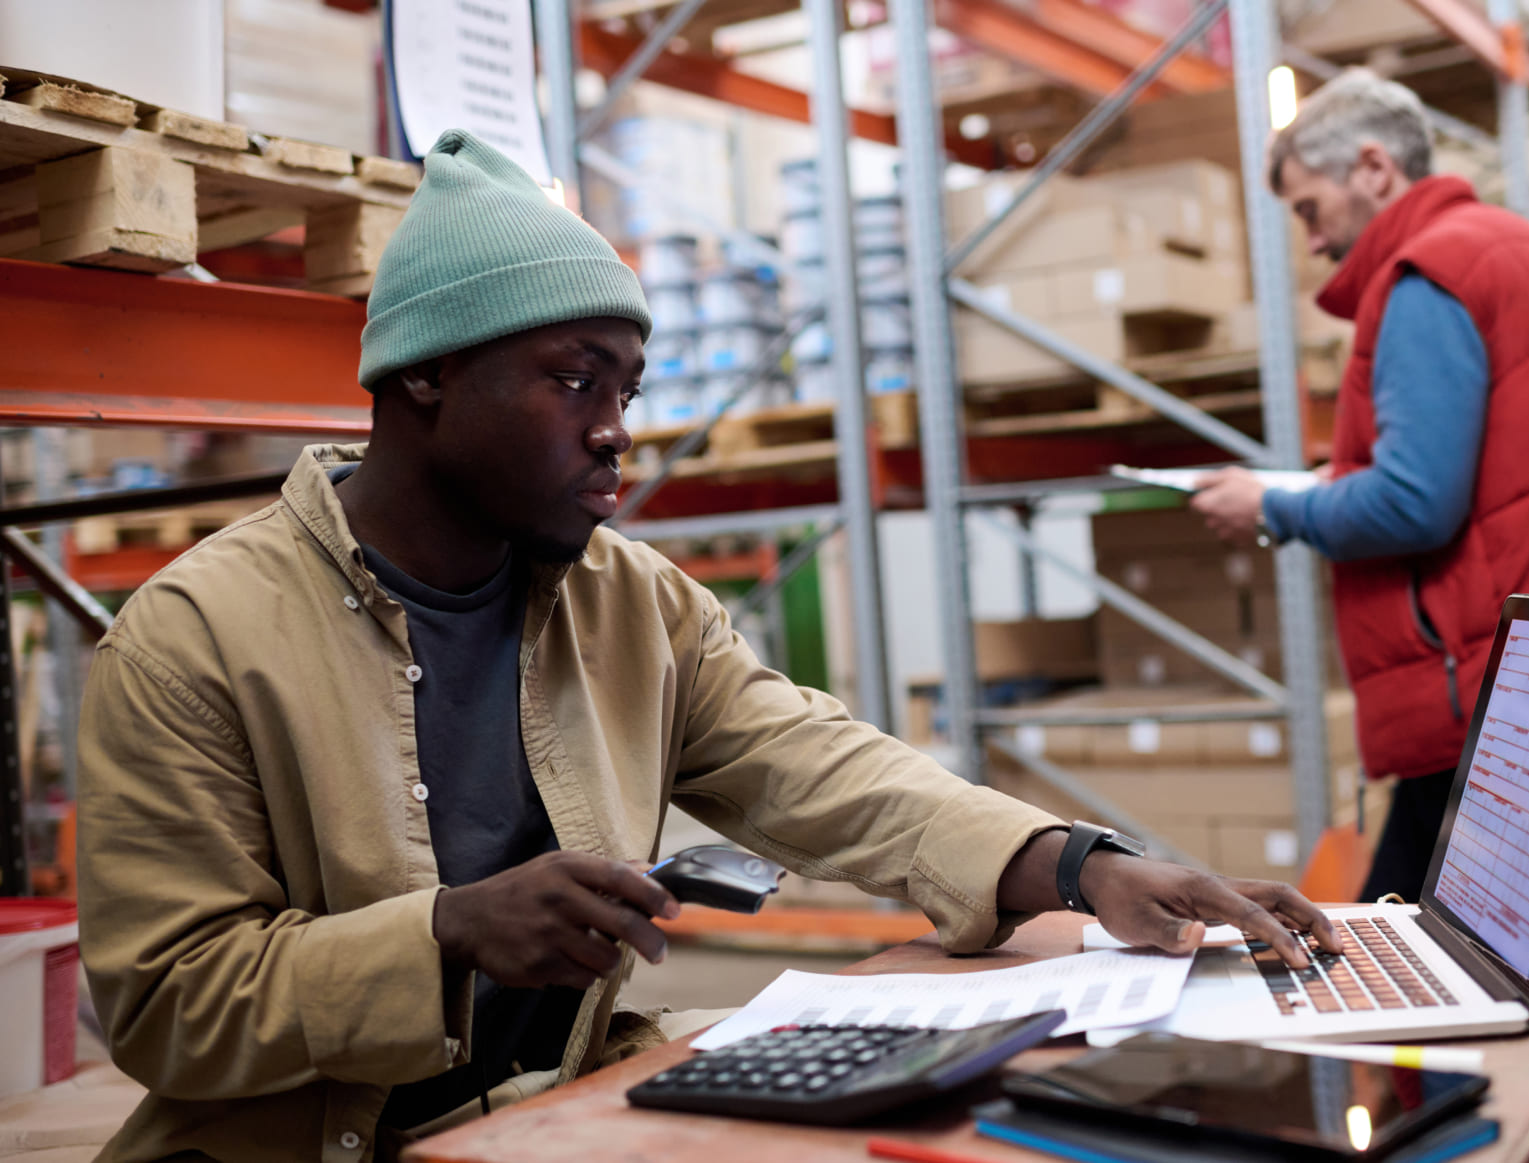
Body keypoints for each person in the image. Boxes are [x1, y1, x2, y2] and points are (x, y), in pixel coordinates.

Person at [74, 130, 1339, 1163]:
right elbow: (169, 1006)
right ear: (427, 376)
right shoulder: (195, 640)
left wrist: (1073, 863)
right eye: (576, 381)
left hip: (555, 1116)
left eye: (629, 388)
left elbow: (816, 765)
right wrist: (445, 932)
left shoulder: (630, 602)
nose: (618, 428)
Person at [1189, 70, 1529, 905]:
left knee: (1462, 948)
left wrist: (1273, 506)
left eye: (1308, 209)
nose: (1313, 242)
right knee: (1524, 935)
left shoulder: (1427, 275)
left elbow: (1412, 503)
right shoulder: (1522, 247)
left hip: (1486, 677)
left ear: (1371, 168)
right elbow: (1505, 462)